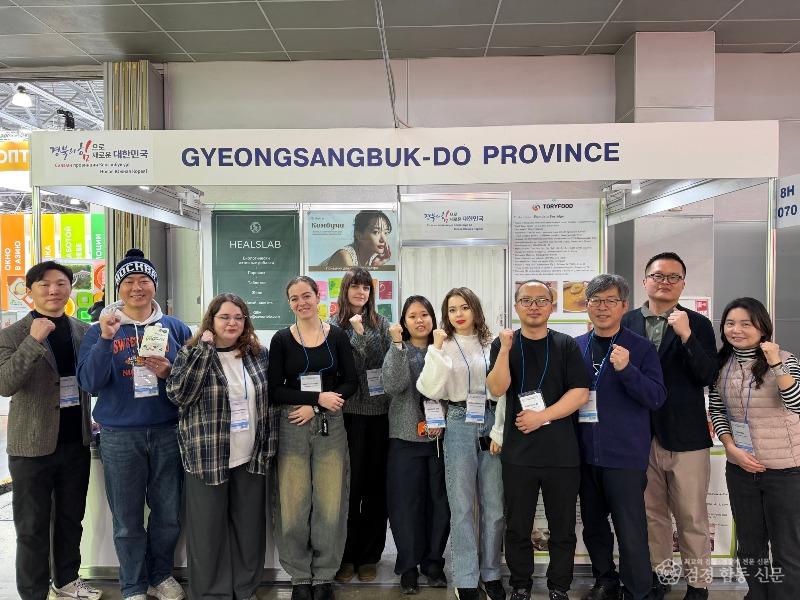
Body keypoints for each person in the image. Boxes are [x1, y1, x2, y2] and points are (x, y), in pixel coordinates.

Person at [77, 249, 191, 600]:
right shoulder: (99, 330)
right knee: (126, 520)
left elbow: (190, 381)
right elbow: (90, 383)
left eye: (144, 280)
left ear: (154, 285)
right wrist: (106, 339)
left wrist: (169, 371)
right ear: (118, 288)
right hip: (119, 436)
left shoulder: (175, 327)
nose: (137, 287)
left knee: (168, 514)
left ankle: (161, 575)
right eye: (129, 281)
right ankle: (133, 585)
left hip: (168, 431)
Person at [0, 261, 102, 600]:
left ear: (70, 289)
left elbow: (90, 379)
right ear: (30, 291)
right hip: (30, 445)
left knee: (71, 519)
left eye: (60, 283)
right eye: (44, 284)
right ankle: (33, 592)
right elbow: (5, 384)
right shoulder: (12, 335)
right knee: (31, 526)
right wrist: (33, 341)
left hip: (75, 441)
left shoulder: (83, 331)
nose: (53, 290)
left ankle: (67, 580)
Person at [166, 293, 277, 600]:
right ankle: (212, 594)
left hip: (251, 455)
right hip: (207, 456)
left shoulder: (257, 354)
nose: (232, 323)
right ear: (211, 320)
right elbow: (179, 395)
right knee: (207, 531)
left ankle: (245, 588)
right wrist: (204, 351)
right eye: (224, 317)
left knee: (249, 529)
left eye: (238, 317)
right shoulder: (191, 352)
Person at [621, 252, 718, 600]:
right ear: (645, 280)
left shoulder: (698, 324)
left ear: (683, 284)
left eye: (673, 277)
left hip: (686, 436)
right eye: (658, 275)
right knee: (652, 515)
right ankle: (660, 578)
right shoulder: (626, 321)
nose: (665, 282)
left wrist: (687, 335)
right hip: (639, 435)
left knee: (692, 516)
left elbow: (707, 375)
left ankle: (698, 585)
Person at [486, 280, 590, 600]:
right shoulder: (504, 343)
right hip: (518, 454)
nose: (534, 306)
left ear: (551, 306)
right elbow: (496, 388)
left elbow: (580, 393)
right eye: (526, 300)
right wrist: (505, 349)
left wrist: (541, 416)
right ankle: (521, 585)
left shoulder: (565, 344)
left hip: (562, 454)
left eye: (541, 300)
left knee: (562, 528)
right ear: (516, 306)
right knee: (518, 527)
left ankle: (559, 586)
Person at [574, 274, 666, 600]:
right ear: (587, 305)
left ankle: (638, 589)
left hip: (624, 456)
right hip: (584, 455)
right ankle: (605, 581)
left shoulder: (640, 348)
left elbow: (656, 397)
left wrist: (627, 370)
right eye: (596, 301)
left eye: (610, 301)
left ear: (624, 306)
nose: (602, 307)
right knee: (594, 526)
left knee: (630, 529)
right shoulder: (576, 346)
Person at [267, 276, 358, 600]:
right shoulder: (281, 339)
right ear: (289, 303)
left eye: (306, 295)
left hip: (330, 424)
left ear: (318, 297)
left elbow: (351, 382)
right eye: (294, 298)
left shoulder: (337, 336)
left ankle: (323, 577)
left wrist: (318, 406)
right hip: (292, 422)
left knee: (330, 503)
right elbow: (274, 389)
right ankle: (300, 577)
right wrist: (314, 399)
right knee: (293, 503)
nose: (301, 303)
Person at [417, 287, 506, 600]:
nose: (458, 314)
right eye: (452, 309)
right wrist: (436, 349)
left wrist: (499, 430)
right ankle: (466, 577)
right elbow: (429, 389)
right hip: (457, 421)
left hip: (490, 420)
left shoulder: (492, 343)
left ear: (475, 310)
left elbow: (503, 390)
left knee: (494, 507)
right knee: (462, 507)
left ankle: (492, 574)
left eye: (464, 307)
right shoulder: (442, 345)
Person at [708, 297, 800, 600]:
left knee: (787, 547)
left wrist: (775, 363)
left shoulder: (785, 359)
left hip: (785, 470)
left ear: (762, 327)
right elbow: (717, 409)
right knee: (749, 545)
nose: (736, 330)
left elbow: (796, 403)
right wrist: (730, 448)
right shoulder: (721, 364)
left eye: (746, 323)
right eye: (730, 323)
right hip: (741, 468)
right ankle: (757, 594)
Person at [383, 295, 450, 595]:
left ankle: (433, 563)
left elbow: (452, 389)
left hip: (439, 440)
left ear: (433, 318)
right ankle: (408, 565)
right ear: (404, 322)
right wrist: (397, 346)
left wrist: (442, 417)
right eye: (412, 316)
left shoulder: (444, 348)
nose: (419, 320)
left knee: (439, 505)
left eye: (424, 314)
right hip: (404, 438)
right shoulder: (398, 349)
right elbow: (393, 385)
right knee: (405, 505)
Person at [329, 267, 392, 583]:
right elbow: (347, 368)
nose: (360, 292)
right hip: (348, 414)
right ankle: (346, 555)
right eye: (355, 286)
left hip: (380, 414)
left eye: (366, 287)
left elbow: (380, 361)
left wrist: (362, 333)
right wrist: (355, 332)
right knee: (349, 488)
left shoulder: (382, 324)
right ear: (345, 290)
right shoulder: (332, 327)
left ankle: (370, 556)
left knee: (376, 487)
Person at [318, 210, 392, 269]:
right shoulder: (345, 256)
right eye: (376, 232)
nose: (383, 239)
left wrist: (374, 266)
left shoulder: (374, 257)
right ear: (359, 235)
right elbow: (353, 283)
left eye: (386, 232)